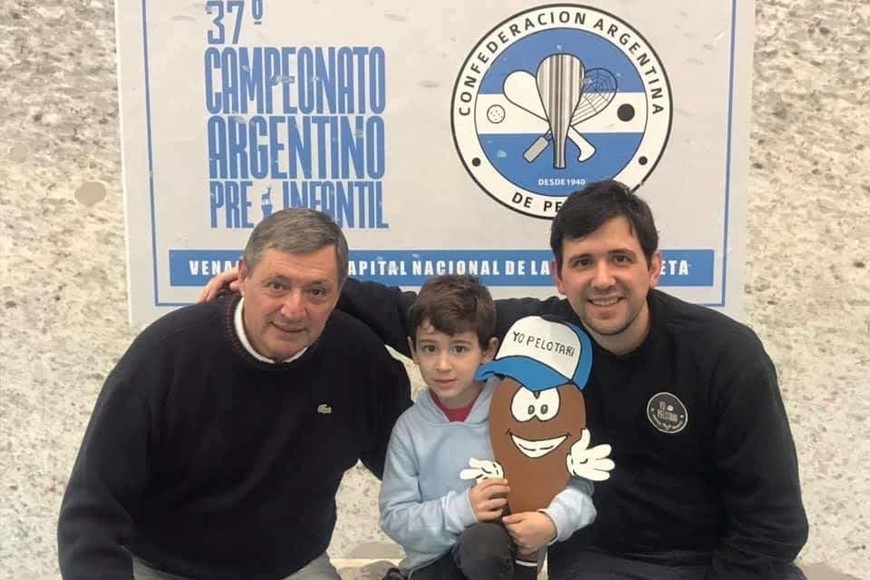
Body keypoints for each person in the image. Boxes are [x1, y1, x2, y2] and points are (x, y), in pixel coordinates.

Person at [199, 180, 809, 579]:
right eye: (583, 262)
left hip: (718, 560)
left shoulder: (726, 354)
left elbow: (774, 520)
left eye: (621, 259)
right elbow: (415, 314)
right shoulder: (537, 333)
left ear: (654, 267)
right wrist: (289, 286)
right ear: (560, 275)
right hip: (600, 558)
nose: (602, 279)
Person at [58, 208, 411, 580]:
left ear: (339, 292)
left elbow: (418, 471)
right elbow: (91, 511)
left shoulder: (360, 360)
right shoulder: (165, 357)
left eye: (316, 291)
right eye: (277, 285)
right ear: (243, 276)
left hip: (291, 568)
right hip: (162, 568)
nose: (294, 310)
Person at [378, 275, 597, 580]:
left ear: (488, 350)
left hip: (504, 560)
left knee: (483, 544)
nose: (443, 364)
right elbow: (395, 518)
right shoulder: (409, 429)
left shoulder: (520, 408)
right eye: (430, 348)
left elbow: (578, 484)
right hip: (431, 566)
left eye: (459, 349)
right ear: (413, 350)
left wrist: (553, 521)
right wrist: (463, 509)